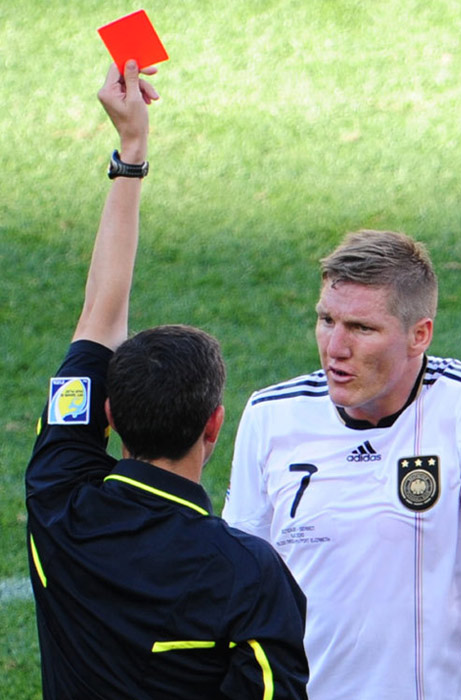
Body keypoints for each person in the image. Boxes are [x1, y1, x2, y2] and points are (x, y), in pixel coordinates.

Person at [25, 62, 309, 699]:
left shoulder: (58, 504)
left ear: (110, 417)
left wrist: (131, 151)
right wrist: (134, 146)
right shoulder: (248, 574)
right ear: (215, 424)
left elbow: (99, 316)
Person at [223, 229, 461, 699]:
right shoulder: (271, 415)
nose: (335, 347)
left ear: (419, 335)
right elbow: (240, 584)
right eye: (326, 320)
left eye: (361, 328)